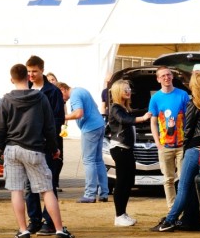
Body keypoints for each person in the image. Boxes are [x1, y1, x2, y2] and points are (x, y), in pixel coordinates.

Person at [0, 64, 74, 238]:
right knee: (46, 190)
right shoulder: (40, 98)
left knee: (17, 190)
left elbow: (0, 127)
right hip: (34, 148)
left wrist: (0, 147)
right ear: (28, 77)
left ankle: (23, 230)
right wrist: (54, 148)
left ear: (11, 79)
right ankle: (59, 229)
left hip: (12, 148)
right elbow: (49, 126)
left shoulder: (6, 99)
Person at [150, 71, 200, 232]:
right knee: (196, 187)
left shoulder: (194, 104)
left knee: (183, 187)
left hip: (193, 149)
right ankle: (190, 219)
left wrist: (185, 147)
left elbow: (187, 130)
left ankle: (170, 220)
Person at [25, 56, 65, 236]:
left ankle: (49, 221)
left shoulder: (53, 92)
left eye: (34, 71)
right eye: (28, 71)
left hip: (48, 145)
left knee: (48, 184)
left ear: (42, 70)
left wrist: (51, 142)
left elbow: (58, 119)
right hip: (28, 145)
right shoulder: (24, 89)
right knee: (28, 185)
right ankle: (34, 220)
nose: (31, 75)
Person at [108, 80, 151, 227]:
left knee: (129, 181)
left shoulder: (125, 108)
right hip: (119, 148)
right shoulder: (116, 108)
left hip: (126, 149)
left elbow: (135, 114)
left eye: (128, 89)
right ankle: (119, 215)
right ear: (117, 92)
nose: (128, 91)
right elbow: (125, 120)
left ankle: (123, 213)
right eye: (124, 89)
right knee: (121, 182)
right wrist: (143, 118)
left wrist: (150, 110)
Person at [57, 82, 109, 203]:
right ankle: (104, 192)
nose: (60, 100)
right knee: (98, 160)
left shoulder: (75, 96)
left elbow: (78, 113)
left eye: (59, 95)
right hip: (99, 125)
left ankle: (90, 194)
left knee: (89, 160)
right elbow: (94, 106)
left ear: (62, 89)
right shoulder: (81, 90)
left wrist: (62, 117)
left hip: (90, 128)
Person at [149, 66, 190, 209]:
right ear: (158, 79)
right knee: (168, 180)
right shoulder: (155, 98)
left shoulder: (183, 95)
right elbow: (153, 122)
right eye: (163, 76)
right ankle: (172, 208)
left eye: (168, 75)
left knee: (184, 179)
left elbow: (188, 119)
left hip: (181, 145)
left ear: (172, 76)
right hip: (164, 145)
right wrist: (158, 144)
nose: (166, 78)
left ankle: (184, 207)